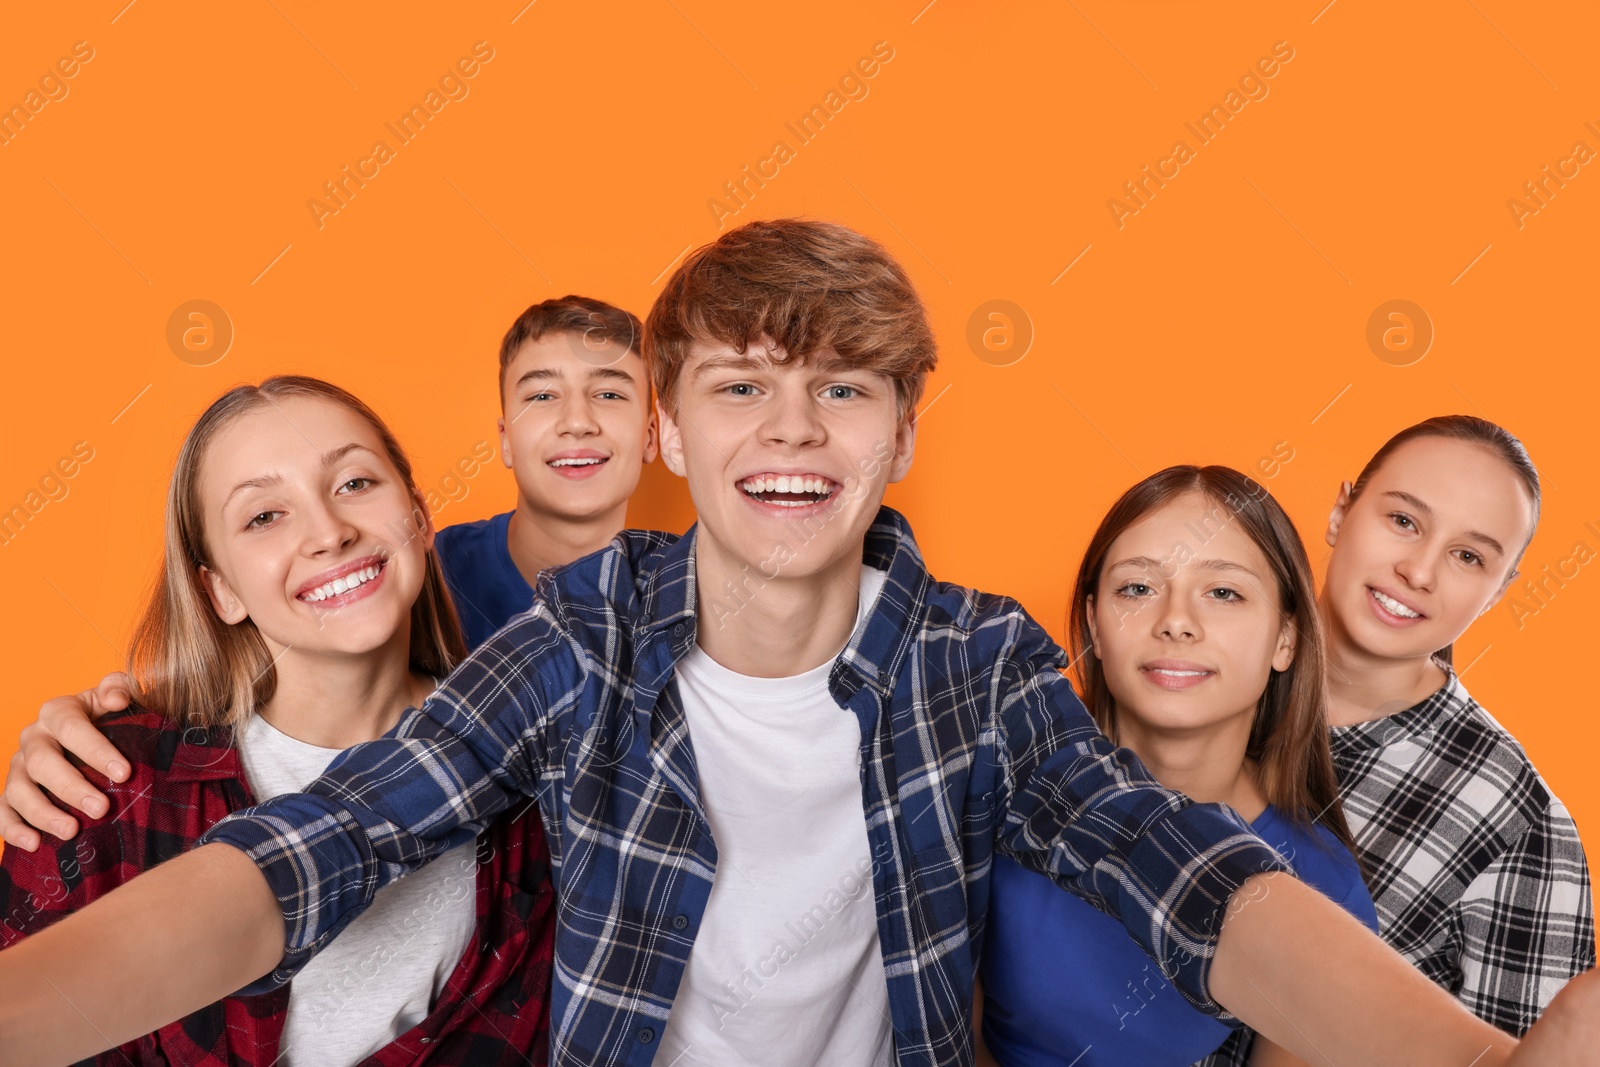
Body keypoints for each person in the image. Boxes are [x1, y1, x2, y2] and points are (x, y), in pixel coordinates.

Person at [0, 219, 1596, 1067]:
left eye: (842, 387)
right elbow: (317, 843)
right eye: (741, 383)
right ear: (672, 430)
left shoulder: (980, 659)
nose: (792, 424)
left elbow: (1177, 869)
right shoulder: (577, 633)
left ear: (905, 430)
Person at [0, 376, 553, 1065]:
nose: (329, 530)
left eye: (354, 482)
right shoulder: (101, 785)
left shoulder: (545, 775)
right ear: (221, 590)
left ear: (418, 515)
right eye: (264, 515)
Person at [0, 292, 658, 849]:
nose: (578, 421)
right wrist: (90, 727)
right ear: (504, 438)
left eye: (608, 391)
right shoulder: (413, 570)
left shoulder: (698, 612)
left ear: (658, 434)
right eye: (543, 394)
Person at [977, 466, 1377, 1067]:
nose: (1176, 621)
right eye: (1137, 588)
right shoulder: (992, 781)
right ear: (1094, 623)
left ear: (1285, 639)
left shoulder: (1322, 887)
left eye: (1224, 593)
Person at [1318, 416, 1595, 1034]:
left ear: (1497, 593)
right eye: (1403, 521)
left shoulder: (1517, 818)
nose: (1419, 571)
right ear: (1341, 513)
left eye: (1468, 556)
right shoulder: (1200, 670)